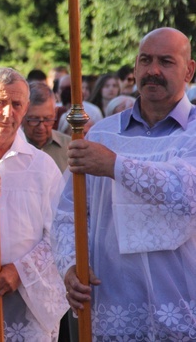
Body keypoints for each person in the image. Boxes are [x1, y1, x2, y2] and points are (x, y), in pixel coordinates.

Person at [54, 27, 196, 339]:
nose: (153, 71)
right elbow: (68, 214)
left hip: (182, 305)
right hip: (111, 307)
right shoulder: (102, 134)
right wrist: (70, 265)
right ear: (134, 67)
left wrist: (114, 165)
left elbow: (186, 188)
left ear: (189, 70)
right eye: (145, 60)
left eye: (166, 61)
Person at [0, 68, 66, 341]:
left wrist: (20, 270)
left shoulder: (42, 167)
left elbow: (60, 232)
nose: (8, 113)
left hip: (27, 291)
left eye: (17, 104)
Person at [22, 81, 72, 172]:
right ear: (22, 116)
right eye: (34, 119)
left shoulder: (70, 147)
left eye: (48, 119)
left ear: (55, 113)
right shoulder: (11, 147)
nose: (41, 127)